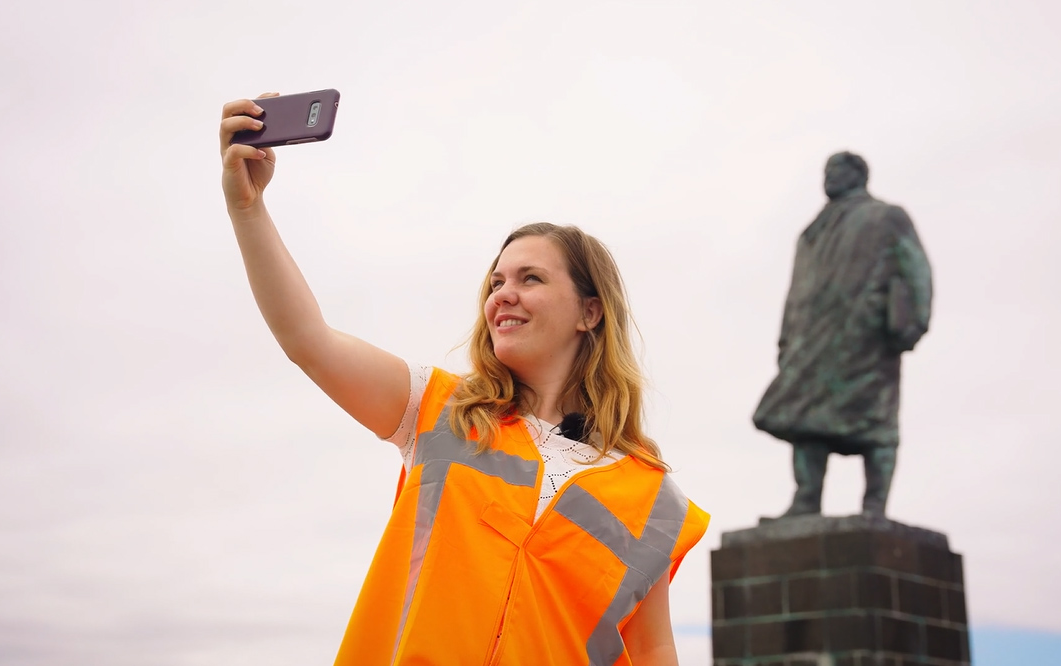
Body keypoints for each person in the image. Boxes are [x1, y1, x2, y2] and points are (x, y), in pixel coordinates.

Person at [218, 94, 709, 665]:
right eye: (497, 280)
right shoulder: (438, 410)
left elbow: (653, 650)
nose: (504, 293)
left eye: (530, 278)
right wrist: (248, 210)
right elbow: (308, 339)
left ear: (589, 312)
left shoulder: (653, 498)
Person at [752, 151, 932, 519]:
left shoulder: (887, 216)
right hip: (813, 340)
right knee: (804, 419)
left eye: (835, 171)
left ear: (858, 175)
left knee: (876, 422)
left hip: (866, 338)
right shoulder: (813, 231)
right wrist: (787, 339)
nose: (828, 178)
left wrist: (912, 324)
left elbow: (917, 272)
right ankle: (806, 499)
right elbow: (797, 289)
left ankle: (874, 505)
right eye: (825, 172)